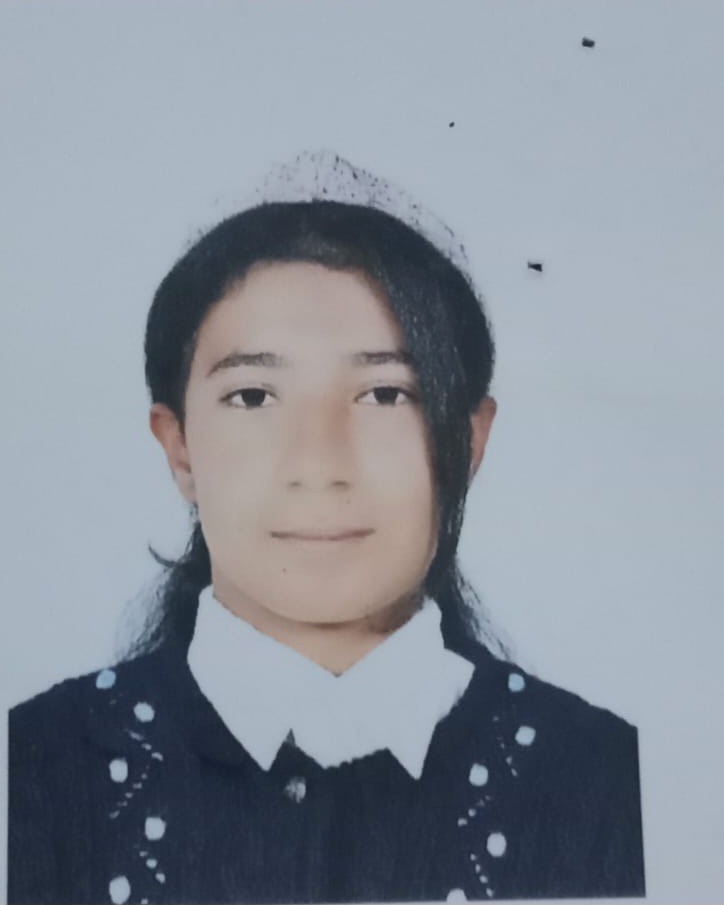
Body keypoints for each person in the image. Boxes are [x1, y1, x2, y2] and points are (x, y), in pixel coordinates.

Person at [7, 152, 645, 905]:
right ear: (179, 447)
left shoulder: (607, 775)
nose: (319, 465)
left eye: (385, 394)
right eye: (253, 396)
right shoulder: (34, 765)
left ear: (469, 442)